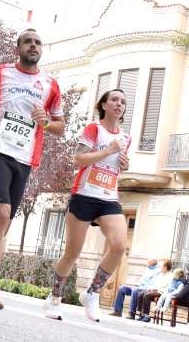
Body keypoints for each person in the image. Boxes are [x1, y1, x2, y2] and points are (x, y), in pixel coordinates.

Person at [0, 28, 64, 309]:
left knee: (2, 224)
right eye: (28, 41)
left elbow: (60, 127)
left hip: (25, 157)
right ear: (18, 47)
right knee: (3, 213)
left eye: (38, 42)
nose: (34, 45)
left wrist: (46, 121)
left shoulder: (50, 85)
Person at [44, 88, 129, 321]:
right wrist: (108, 151)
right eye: (114, 99)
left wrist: (123, 163)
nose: (119, 104)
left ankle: (91, 293)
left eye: (122, 101)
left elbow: (116, 167)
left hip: (108, 197)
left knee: (119, 245)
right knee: (72, 252)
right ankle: (54, 298)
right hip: (84, 194)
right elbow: (78, 159)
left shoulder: (125, 137)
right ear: (103, 105)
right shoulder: (94, 129)